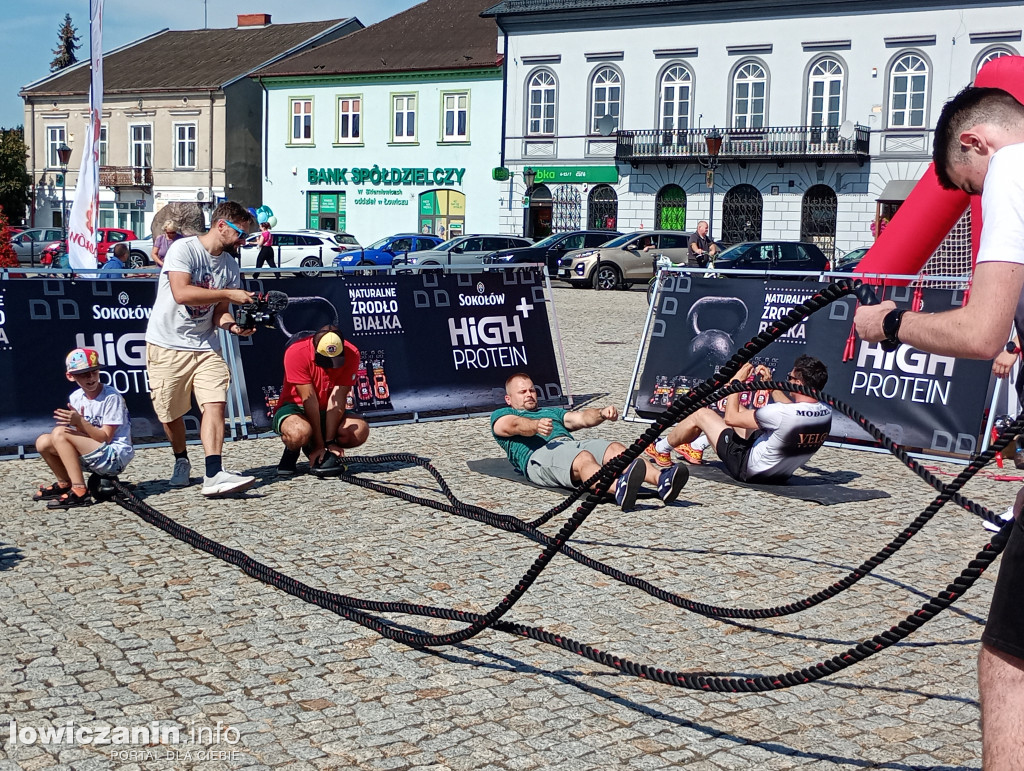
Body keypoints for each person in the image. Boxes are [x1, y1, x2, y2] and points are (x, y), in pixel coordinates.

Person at [854, 84, 1024, 770]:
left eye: (969, 187)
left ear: (974, 145)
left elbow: (979, 331)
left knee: (1009, 659)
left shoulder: (1013, 170)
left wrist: (889, 323)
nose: (979, 200)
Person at [144, 201, 257, 497]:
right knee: (170, 414)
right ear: (222, 226)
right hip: (167, 343)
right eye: (240, 234)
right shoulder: (184, 249)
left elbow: (220, 312)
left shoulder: (230, 265)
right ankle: (181, 457)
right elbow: (182, 293)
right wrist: (229, 292)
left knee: (215, 403)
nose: (243, 241)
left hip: (206, 345)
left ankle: (213, 472)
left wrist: (234, 327)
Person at [491, 373, 688, 511]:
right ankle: (618, 487)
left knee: (615, 448)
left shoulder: (551, 412)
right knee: (583, 457)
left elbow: (582, 418)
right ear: (509, 399)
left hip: (568, 445)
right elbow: (513, 426)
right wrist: (535, 426)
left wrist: (601, 413)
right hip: (539, 456)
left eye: (532, 390)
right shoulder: (502, 414)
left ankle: (662, 480)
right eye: (522, 392)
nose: (529, 395)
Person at [644, 357, 831, 484]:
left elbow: (731, 418)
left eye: (789, 377)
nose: (786, 380)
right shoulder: (825, 412)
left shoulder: (781, 413)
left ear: (798, 383)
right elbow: (792, 410)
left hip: (747, 468)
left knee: (701, 414)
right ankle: (696, 447)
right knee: (746, 412)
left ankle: (660, 450)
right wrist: (770, 387)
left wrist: (735, 384)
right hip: (781, 474)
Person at [31, 348, 135, 509]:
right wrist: (77, 425)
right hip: (94, 453)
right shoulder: (75, 397)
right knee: (43, 441)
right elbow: (80, 436)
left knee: (60, 432)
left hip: (114, 456)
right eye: (83, 373)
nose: (90, 377)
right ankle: (65, 483)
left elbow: (105, 438)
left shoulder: (111, 397)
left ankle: (80, 491)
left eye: (94, 371)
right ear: (70, 376)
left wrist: (80, 422)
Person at [272, 325, 369, 476]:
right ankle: (294, 449)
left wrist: (329, 442)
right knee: (298, 432)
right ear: (315, 348)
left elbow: (338, 398)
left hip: (327, 408)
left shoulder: (352, 352)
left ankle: (325, 449)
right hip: (297, 407)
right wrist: (318, 445)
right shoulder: (296, 352)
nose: (329, 366)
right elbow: (309, 401)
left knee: (358, 431)